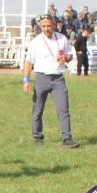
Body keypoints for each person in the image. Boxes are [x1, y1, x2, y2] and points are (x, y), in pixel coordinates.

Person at [23, 14, 77, 148]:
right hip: (41, 78)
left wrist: (66, 58)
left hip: (58, 78)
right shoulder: (35, 42)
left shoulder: (62, 38)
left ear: (53, 25)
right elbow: (28, 62)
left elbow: (70, 54)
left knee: (63, 109)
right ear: (40, 27)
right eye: (43, 26)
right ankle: (37, 137)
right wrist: (26, 80)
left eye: (49, 26)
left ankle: (66, 138)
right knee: (38, 109)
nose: (46, 29)